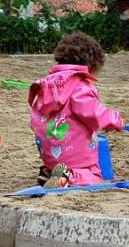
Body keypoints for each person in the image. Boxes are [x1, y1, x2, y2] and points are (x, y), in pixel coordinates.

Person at [28, 32, 124, 188]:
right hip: (74, 154)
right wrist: (115, 120)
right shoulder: (79, 85)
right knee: (92, 176)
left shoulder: (45, 85)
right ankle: (68, 177)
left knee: (61, 158)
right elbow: (92, 111)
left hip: (49, 151)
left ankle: (49, 172)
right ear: (91, 66)